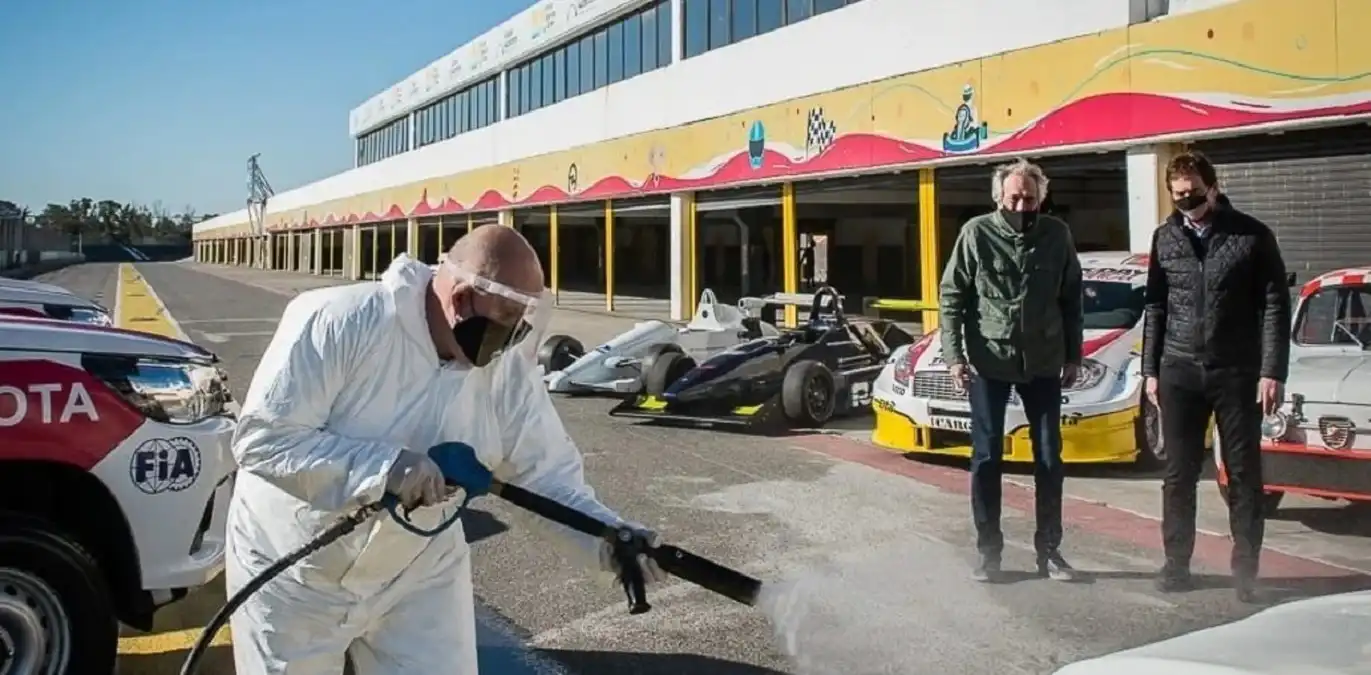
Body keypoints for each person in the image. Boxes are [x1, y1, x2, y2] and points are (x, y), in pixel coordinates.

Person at [226, 224, 667, 674]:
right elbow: (264, 439)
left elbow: (545, 478)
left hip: (418, 569)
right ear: (460, 300)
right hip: (296, 572)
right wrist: (385, 469)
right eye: (505, 320)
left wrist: (610, 538)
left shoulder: (505, 369)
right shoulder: (340, 321)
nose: (512, 338)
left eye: (522, 324)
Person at [1141, 150, 1290, 603]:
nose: (1187, 201)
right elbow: (1155, 306)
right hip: (1179, 370)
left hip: (1236, 372)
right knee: (1179, 473)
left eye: (1195, 193)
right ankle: (1176, 565)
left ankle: (1246, 573)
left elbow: (1275, 306)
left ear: (1213, 187)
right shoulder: (1164, 238)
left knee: (1243, 475)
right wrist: (1150, 370)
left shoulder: (1251, 236)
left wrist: (1272, 371)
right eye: (1179, 195)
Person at [939, 158, 1084, 583]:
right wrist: (954, 357)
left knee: (1048, 457)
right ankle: (989, 552)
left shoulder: (1057, 235)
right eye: (1015, 198)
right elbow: (952, 298)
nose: (1022, 206)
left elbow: (1072, 298)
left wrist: (1073, 355)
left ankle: (1050, 550)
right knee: (986, 458)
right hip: (990, 362)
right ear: (998, 197)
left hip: (1043, 363)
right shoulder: (975, 234)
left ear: (1042, 198)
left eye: (1031, 199)